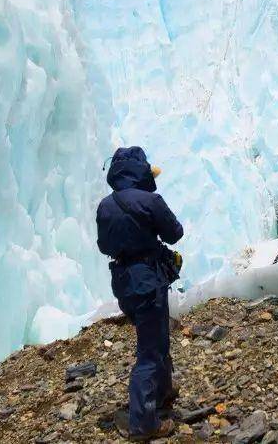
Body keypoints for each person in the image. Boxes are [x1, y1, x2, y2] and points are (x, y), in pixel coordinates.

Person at [95, 146, 184, 441]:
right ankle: (144, 422)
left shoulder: (105, 206)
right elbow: (175, 233)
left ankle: (163, 391)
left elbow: (104, 246)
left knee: (155, 337)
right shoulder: (150, 200)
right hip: (148, 280)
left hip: (123, 282)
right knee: (150, 349)